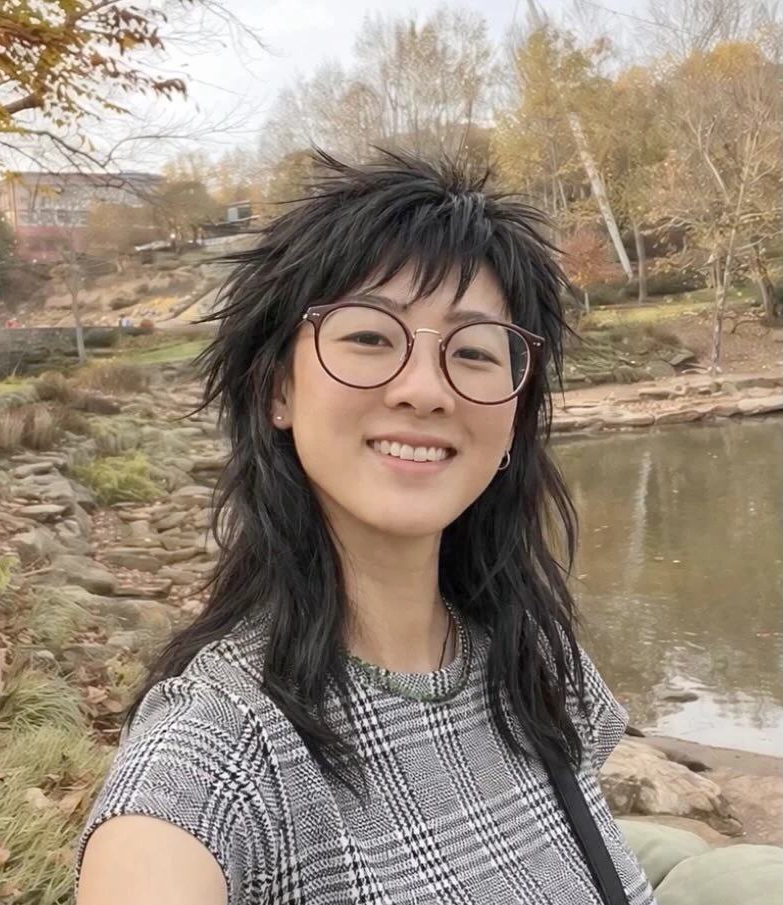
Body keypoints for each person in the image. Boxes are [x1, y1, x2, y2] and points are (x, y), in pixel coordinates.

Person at [75, 151, 655, 905]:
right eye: (369, 338)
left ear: (513, 414)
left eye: (474, 351)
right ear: (278, 387)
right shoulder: (218, 753)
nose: (423, 389)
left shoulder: (535, 662)